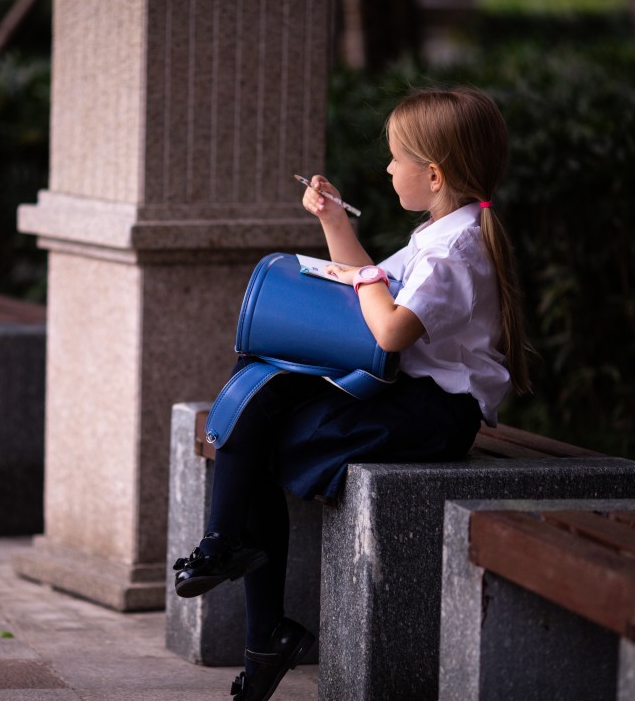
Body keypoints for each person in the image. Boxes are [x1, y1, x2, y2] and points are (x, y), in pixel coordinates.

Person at [172, 86, 531, 701]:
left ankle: (248, 595)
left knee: (268, 435)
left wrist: (363, 279)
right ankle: (240, 578)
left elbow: (388, 327)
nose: (388, 169)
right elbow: (371, 283)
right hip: (404, 397)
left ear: (434, 173)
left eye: (395, 159)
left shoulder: (454, 251)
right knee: (260, 404)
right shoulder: (437, 235)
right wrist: (334, 222)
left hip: (433, 414)